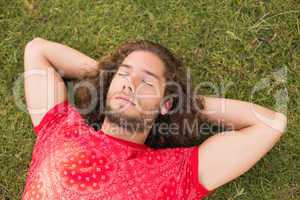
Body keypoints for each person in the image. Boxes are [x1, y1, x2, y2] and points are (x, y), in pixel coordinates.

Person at [22, 37, 287, 200]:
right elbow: (38, 50)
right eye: (124, 74)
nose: (130, 84)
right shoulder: (60, 127)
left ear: (166, 103)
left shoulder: (175, 172)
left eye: (146, 82)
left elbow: (270, 124)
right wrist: (105, 75)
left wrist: (188, 103)